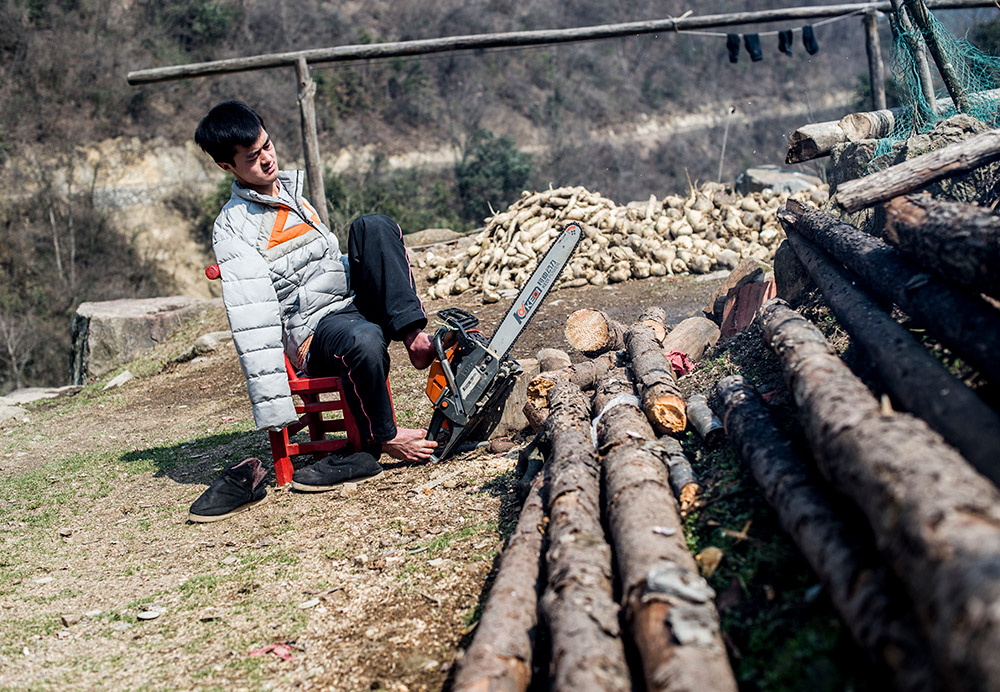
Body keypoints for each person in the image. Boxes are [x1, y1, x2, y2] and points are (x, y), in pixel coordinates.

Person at [187, 100, 438, 522]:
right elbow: (254, 318)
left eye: (267, 146)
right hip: (314, 332)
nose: (266, 159)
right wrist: (274, 409)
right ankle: (384, 437)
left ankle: (414, 338)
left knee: (371, 226)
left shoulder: (293, 194)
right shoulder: (233, 227)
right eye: (252, 157)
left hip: (349, 306)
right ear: (226, 166)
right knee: (363, 338)